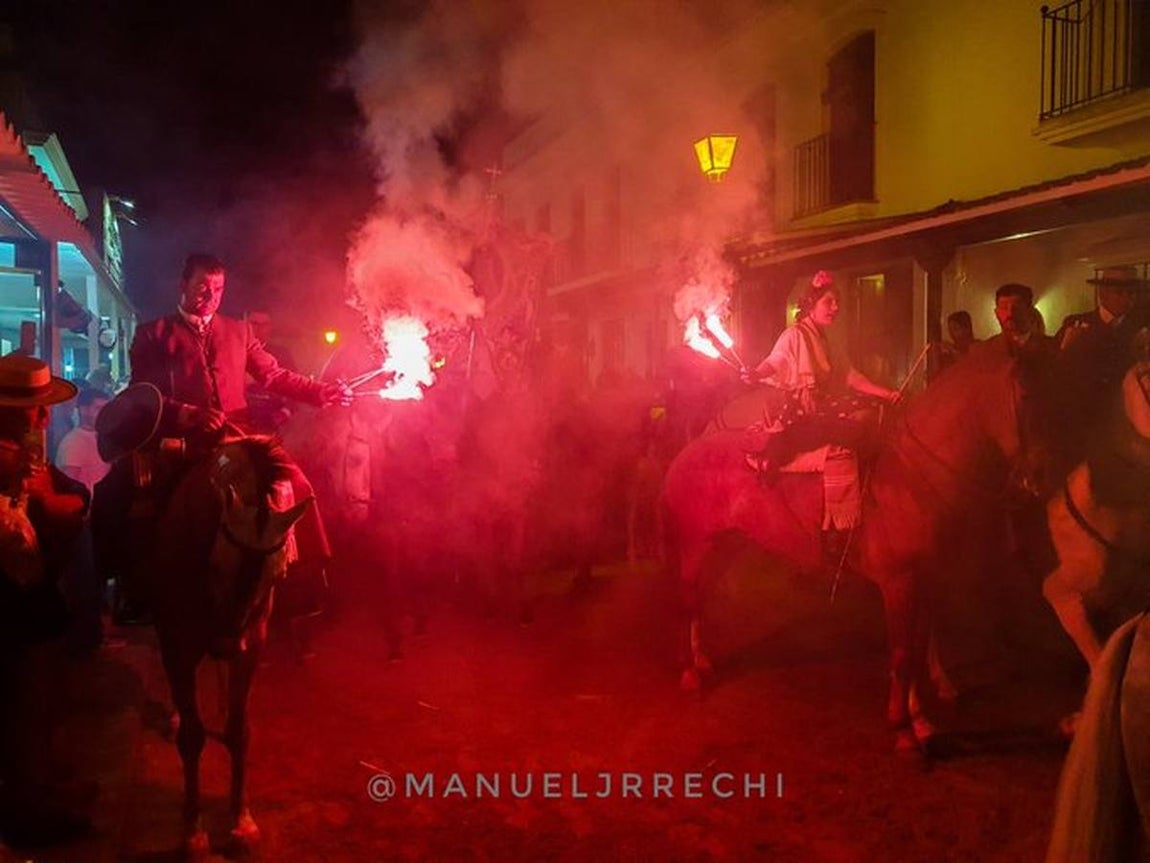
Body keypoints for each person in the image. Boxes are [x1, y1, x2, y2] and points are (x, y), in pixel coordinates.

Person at [96, 254, 350, 627]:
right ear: (183, 285)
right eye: (203, 287)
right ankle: (132, 587)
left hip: (238, 435)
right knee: (120, 492)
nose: (210, 296)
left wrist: (320, 392)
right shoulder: (153, 333)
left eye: (217, 289)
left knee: (295, 482)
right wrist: (184, 411)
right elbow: (142, 391)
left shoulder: (238, 331)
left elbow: (274, 375)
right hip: (183, 437)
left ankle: (307, 577)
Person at [0, 355, 92, 847]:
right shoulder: (11, 461)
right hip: (17, 610)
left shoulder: (25, 456)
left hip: (28, 606)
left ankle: (38, 796)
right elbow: (61, 505)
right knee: (25, 712)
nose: (44, 417)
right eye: (37, 409)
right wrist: (67, 505)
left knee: (34, 710)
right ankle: (28, 817)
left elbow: (71, 493)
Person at [743, 270, 901, 474]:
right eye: (829, 302)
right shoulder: (794, 335)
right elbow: (775, 362)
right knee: (854, 430)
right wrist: (756, 373)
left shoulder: (829, 342)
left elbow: (852, 377)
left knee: (875, 408)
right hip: (800, 417)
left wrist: (887, 394)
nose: (835, 308)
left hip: (822, 409)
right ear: (811, 305)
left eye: (837, 302)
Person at [55, 388, 114, 654]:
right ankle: (86, 641)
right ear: (83, 409)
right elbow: (69, 485)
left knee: (96, 578)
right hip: (82, 520)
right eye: (97, 408)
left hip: (98, 519)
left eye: (105, 408)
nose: (101, 413)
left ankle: (97, 634)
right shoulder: (74, 442)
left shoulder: (103, 438)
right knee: (85, 581)